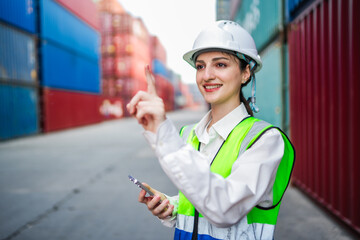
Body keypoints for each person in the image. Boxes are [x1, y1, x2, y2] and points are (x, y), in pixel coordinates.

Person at [126, 20, 295, 240]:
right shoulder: (188, 134)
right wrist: (172, 207)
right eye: (200, 66)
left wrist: (163, 135)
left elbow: (225, 209)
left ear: (246, 73)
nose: (206, 76)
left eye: (221, 64)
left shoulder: (264, 140)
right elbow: (198, 205)